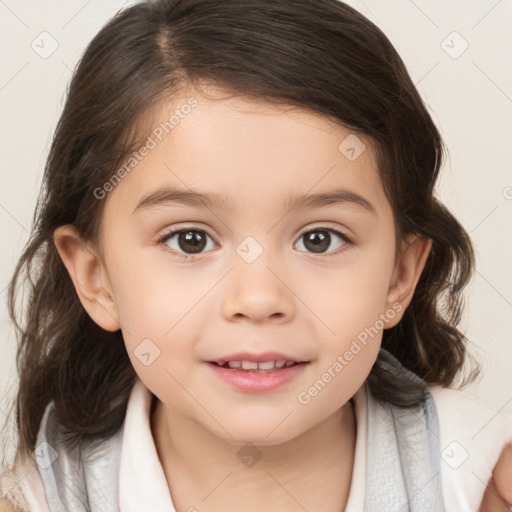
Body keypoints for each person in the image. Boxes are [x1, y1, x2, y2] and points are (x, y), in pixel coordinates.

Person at [1, 0, 511, 510]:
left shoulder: (480, 480)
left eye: (319, 239)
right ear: (97, 278)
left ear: (399, 277)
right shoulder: (36, 499)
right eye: (190, 240)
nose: (259, 298)